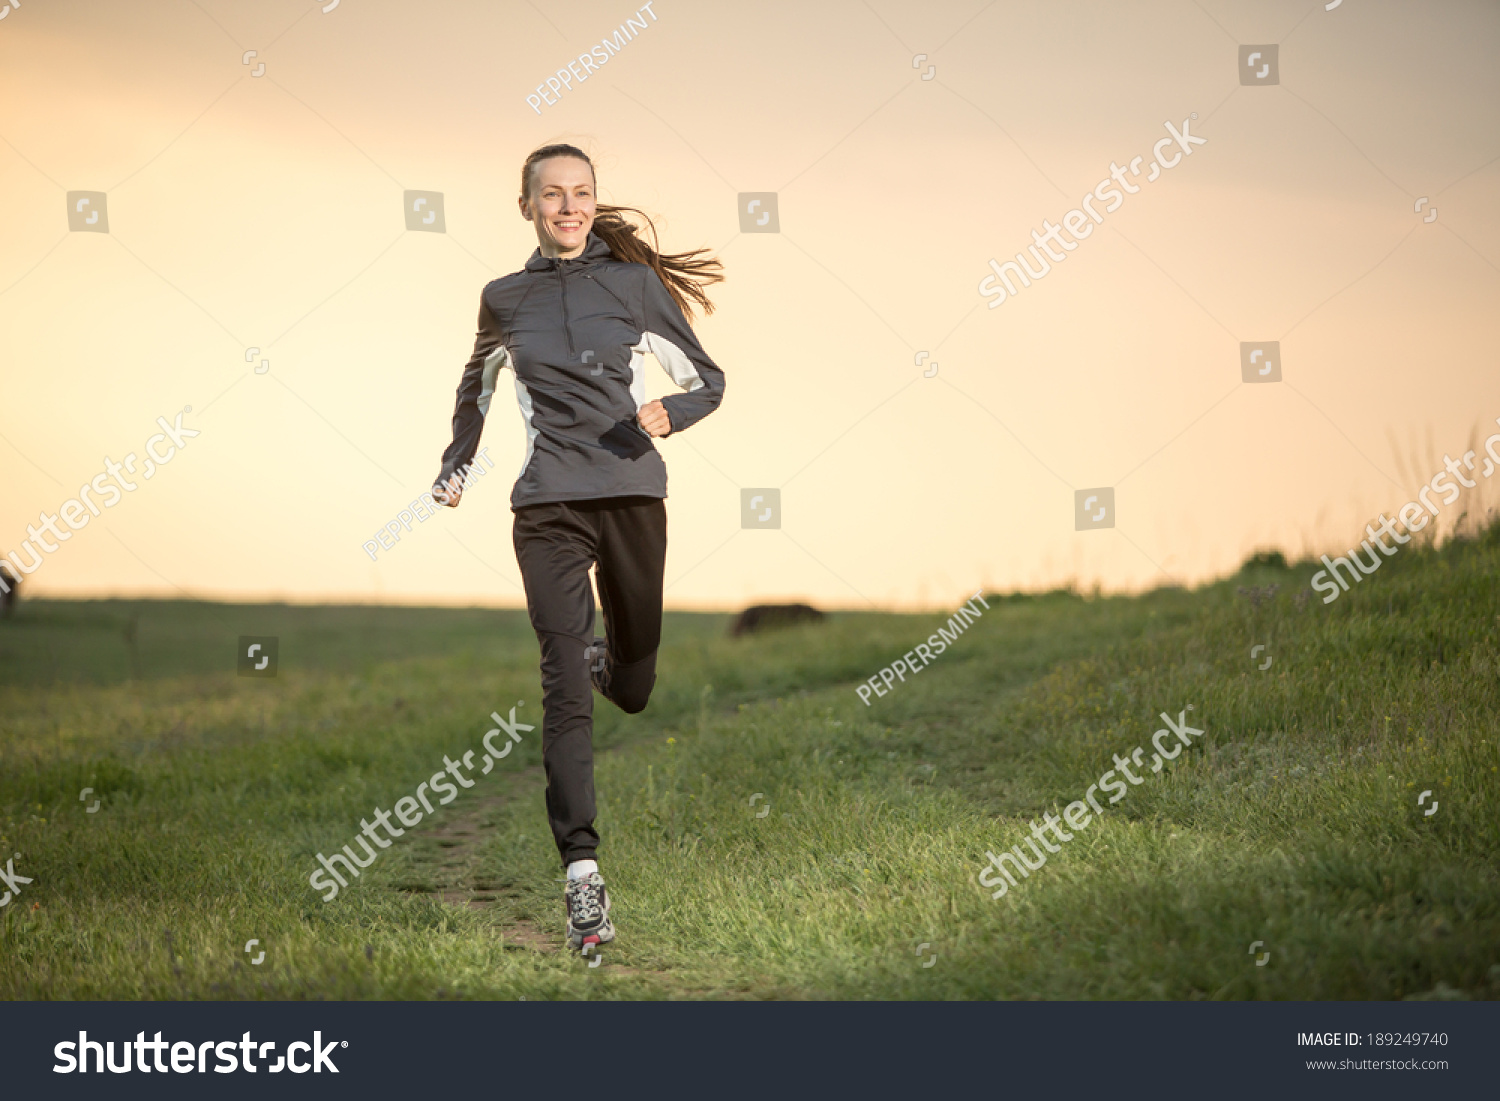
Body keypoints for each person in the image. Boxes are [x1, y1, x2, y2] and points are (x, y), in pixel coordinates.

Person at [430, 143, 726, 953]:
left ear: (595, 203)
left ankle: (610, 662)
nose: (568, 207)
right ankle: (582, 877)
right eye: (552, 195)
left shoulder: (633, 286)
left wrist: (675, 412)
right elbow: (475, 384)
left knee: (631, 684)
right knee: (562, 677)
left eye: (582, 193)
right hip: (548, 504)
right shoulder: (504, 297)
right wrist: (456, 462)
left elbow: (710, 378)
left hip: (632, 494)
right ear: (526, 206)